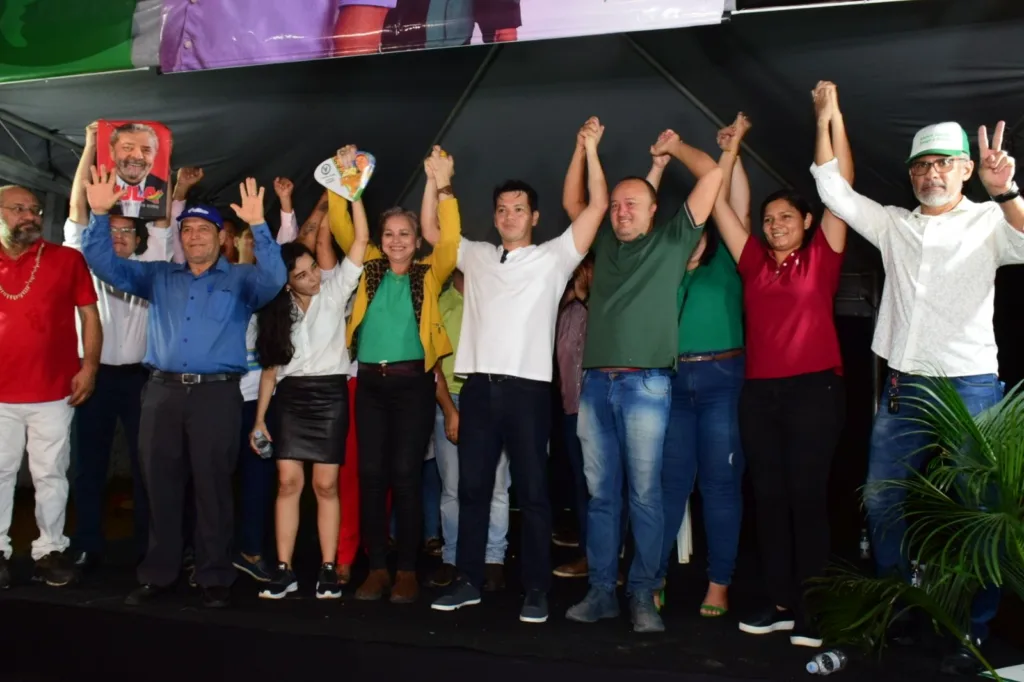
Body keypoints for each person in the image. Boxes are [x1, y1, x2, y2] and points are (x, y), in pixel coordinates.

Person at [811, 110, 1023, 673]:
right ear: (912, 176)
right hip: (906, 386)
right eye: (922, 165)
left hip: (971, 385)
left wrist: (1007, 193)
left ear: (964, 171)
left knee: (978, 509)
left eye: (944, 164)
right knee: (882, 500)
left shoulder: (989, 219)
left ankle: (970, 628)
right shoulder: (893, 224)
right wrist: (826, 114)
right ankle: (900, 606)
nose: (932, 173)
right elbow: (832, 189)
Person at [82, 168, 287, 609]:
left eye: (203, 230)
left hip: (216, 396)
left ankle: (214, 576)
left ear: (220, 236)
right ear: (180, 238)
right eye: (187, 230)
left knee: (214, 487)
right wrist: (99, 215)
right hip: (161, 394)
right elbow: (103, 263)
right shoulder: (158, 276)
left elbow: (275, 279)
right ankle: (159, 573)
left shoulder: (242, 278)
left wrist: (259, 225)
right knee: (160, 485)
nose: (194, 237)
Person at [431, 117, 608, 624]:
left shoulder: (554, 258)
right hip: (479, 389)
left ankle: (536, 589)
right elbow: (432, 231)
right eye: (502, 210)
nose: (509, 216)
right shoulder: (479, 256)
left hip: (530, 391)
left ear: (534, 216)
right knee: (472, 490)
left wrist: (589, 149)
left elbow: (596, 207)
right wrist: (437, 180)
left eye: (518, 209)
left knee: (533, 493)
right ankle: (466, 579)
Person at [564, 119, 723, 633]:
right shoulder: (603, 246)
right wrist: (586, 148)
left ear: (655, 209)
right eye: (615, 205)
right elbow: (575, 203)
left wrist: (674, 149)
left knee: (646, 495)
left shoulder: (675, 240)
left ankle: (641, 595)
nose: (621, 211)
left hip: (647, 385)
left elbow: (714, 174)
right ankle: (601, 592)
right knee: (602, 495)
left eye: (632, 203)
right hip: (595, 385)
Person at [708, 83, 850, 648]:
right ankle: (779, 601)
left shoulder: (824, 256)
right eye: (768, 218)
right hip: (760, 395)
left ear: (807, 223)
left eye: (785, 217)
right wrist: (731, 149)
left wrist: (826, 122)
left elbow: (838, 187)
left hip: (816, 391)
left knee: (806, 497)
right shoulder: (750, 263)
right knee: (766, 496)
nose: (774, 225)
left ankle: (815, 608)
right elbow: (718, 204)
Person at [328, 145, 461, 604]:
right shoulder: (367, 270)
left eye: (406, 233)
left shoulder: (430, 272)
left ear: (416, 240)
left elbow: (451, 241)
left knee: (406, 475)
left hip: (413, 387)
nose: (398, 240)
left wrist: (444, 188)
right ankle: (377, 568)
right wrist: (346, 179)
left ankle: (406, 569)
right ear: (380, 239)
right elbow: (344, 226)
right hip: (369, 385)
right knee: (370, 474)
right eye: (390, 234)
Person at [64, 122, 175, 570]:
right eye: (111, 230)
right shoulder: (85, 261)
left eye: (128, 232)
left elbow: (164, 216)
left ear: (138, 237)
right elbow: (77, 208)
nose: (119, 238)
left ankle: (148, 546)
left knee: (147, 467)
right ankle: (87, 543)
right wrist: (90, 145)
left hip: (140, 380)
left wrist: (166, 152)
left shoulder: (150, 267)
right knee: (88, 466)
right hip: (92, 374)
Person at [648, 126, 748, 618]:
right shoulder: (664, 267)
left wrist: (732, 151)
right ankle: (654, 576)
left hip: (720, 381)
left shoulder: (727, 261)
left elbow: (734, 200)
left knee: (719, 485)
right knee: (669, 484)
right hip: (671, 384)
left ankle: (719, 583)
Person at [251, 194, 368, 600]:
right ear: (287, 281)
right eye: (301, 275)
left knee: (326, 485)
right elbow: (270, 371)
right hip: (290, 398)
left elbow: (359, 241)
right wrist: (260, 419)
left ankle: (328, 567)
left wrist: (354, 195)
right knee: (287, 483)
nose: (312, 277)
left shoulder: (335, 290)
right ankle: (284, 569)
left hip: (331, 396)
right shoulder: (277, 310)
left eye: (312, 268)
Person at [0, 184, 100, 589]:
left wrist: (90, 366)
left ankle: (50, 550)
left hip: (54, 389)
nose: (30, 216)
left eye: (35, 209)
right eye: (18, 209)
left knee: (52, 475)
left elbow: (91, 317)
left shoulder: (66, 259)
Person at [428, 269, 511, 591]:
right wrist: (449, 410)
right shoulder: (439, 302)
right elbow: (431, 363)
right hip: (450, 399)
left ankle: (493, 560)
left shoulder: (498, 301)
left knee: (497, 485)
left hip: (492, 400)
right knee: (452, 486)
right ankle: (453, 558)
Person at [107, 122, 167, 219]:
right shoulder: (99, 184)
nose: (138, 156)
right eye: (128, 148)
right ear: (112, 151)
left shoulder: (161, 187)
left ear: (155, 154)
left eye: (146, 150)